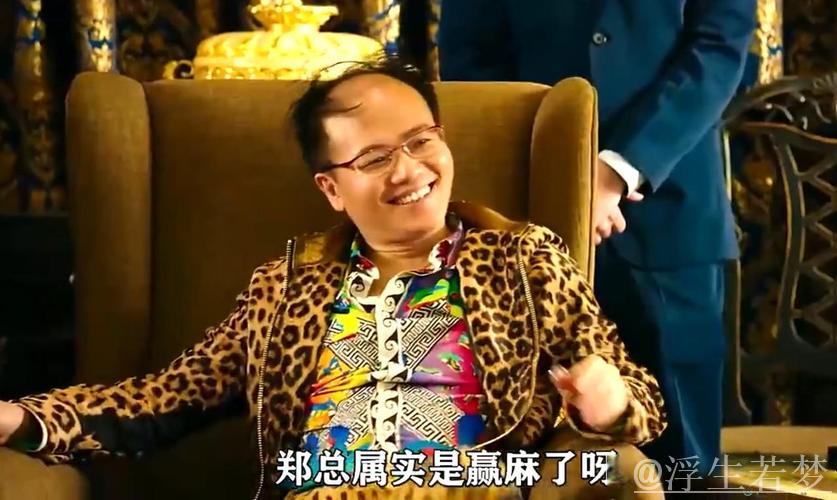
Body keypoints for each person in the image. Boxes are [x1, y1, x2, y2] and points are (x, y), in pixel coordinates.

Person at [0, 56, 665, 499]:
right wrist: (25, 420)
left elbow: (640, 395)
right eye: (374, 158)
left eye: (422, 140)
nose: (409, 171)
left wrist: (611, 403)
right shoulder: (285, 288)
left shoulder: (523, 260)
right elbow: (167, 399)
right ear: (331, 189)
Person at [437, 0, 756, 478]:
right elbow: (471, 60)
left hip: (668, 210)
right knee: (532, 449)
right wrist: (557, 179)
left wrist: (618, 171)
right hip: (528, 218)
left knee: (684, 461)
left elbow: (718, 47)